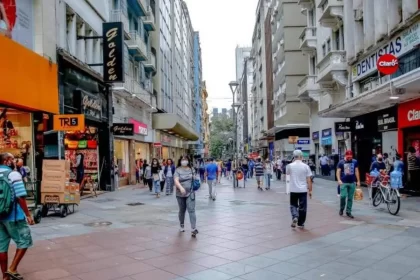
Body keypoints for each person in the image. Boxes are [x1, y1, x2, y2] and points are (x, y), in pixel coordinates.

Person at [0, 153, 34, 280]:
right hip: (14, 216)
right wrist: (28, 215)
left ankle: (5, 277)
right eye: (12, 159)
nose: (14, 161)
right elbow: (20, 196)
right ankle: (12, 268)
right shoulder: (13, 174)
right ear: (7, 161)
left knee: (1, 247)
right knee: (25, 241)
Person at [286, 150, 312, 228]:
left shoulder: (289, 166)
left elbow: (287, 174)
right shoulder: (306, 166)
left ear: (294, 157)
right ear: (301, 156)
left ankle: (295, 216)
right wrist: (310, 190)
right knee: (303, 207)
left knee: (293, 205)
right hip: (303, 190)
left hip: (293, 189)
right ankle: (301, 223)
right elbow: (309, 180)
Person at [174, 155, 198, 236]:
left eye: (186, 159)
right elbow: (176, 181)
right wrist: (181, 188)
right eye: (182, 159)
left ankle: (193, 228)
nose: (184, 161)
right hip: (180, 193)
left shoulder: (192, 169)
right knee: (182, 210)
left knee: (191, 210)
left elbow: (195, 178)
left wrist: (195, 178)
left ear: (188, 160)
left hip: (190, 192)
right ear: (180, 160)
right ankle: (181, 225)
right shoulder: (178, 170)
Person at [336, 150, 360, 219]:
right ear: (345, 156)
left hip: (352, 182)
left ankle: (348, 211)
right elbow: (338, 171)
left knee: (350, 198)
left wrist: (358, 181)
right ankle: (341, 208)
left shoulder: (355, 161)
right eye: (348, 157)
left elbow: (356, 171)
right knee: (343, 196)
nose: (349, 158)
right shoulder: (341, 162)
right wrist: (339, 180)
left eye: (351, 157)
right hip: (343, 182)